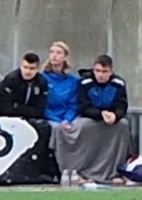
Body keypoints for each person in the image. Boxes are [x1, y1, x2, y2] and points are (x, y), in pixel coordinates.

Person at [54, 55, 131, 188]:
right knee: (81, 127)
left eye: (104, 71)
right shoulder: (85, 83)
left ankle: (116, 170)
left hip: (111, 119)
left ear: (111, 71)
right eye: (98, 71)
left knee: (123, 125)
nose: (101, 75)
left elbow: (122, 105)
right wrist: (100, 114)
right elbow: (83, 106)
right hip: (90, 118)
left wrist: (115, 115)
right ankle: (75, 170)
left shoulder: (119, 84)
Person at [0, 52, 49, 121]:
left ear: (37, 69)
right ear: (20, 66)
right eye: (25, 67)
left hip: (31, 120)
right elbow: (3, 107)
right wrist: (27, 110)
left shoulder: (42, 82)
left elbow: (40, 110)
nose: (28, 71)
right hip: (9, 119)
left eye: (32, 68)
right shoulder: (10, 80)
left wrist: (17, 107)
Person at [41, 42, 79, 126]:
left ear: (65, 57)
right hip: (48, 118)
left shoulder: (73, 80)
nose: (54, 55)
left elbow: (73, 105)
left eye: (58, 53)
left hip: (69, 118)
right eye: (52, 52)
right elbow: (42, 105)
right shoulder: (41, 78)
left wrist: (67, 119)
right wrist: (57, 121)